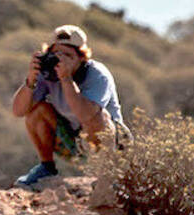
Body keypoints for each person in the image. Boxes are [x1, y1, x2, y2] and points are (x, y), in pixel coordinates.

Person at [10, 24, 125, 188]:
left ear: (82, 58)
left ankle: (109, 175)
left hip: (111, 144)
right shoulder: (48, 73)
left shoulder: (97, 75)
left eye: (68, 55)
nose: (60, 60)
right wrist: (31, 80)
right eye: (56, 54)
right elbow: (18, 111)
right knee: (37, 111)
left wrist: (66, 79)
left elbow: (87, 115)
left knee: (97, 116)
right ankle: (46, 168)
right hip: (73, 140)